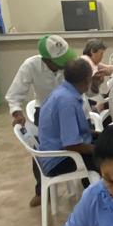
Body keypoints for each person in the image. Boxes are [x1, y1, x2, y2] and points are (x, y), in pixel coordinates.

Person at [34, 59, 97, 193]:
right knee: (110, 157)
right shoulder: (67, 102)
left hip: (58, 151)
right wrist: (99, 149)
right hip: (59, 160)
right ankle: (97, 196)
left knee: (109, 140)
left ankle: (92, 188)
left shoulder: (62, 92)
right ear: (87, 80)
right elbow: (72, 145)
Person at [5, 33, 75, 125]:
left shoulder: (72, 62)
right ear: (46, 60)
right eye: (60, 60)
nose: (66, 62)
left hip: (69, 108)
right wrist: (17, 113)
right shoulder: (31, 65)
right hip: (44, 111)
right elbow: (14, 95)